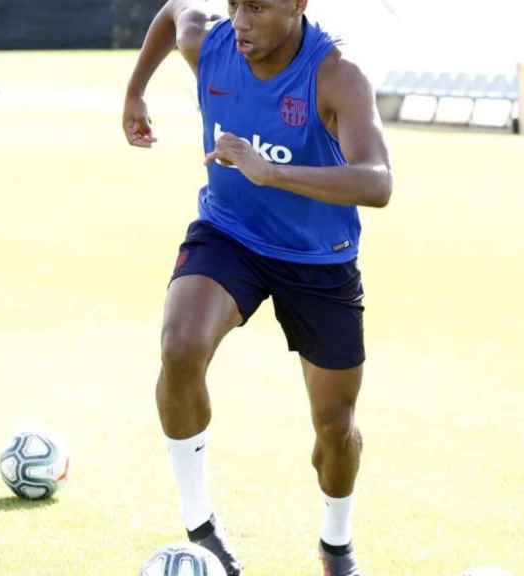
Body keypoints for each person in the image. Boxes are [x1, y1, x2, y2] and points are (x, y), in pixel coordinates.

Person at [122, 1, 392, 574]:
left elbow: (378, 181)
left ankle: (336, 543)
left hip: (319, 260)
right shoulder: (213, 43)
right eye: (234, 3)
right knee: (179, 346)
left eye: (259, 7)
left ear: (298, 4)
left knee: (335, 428)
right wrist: (134, 92)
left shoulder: (337, 77)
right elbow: (174, 14)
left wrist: (272, 173)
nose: (241, 21)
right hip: (229, 233)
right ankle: (202, 526)